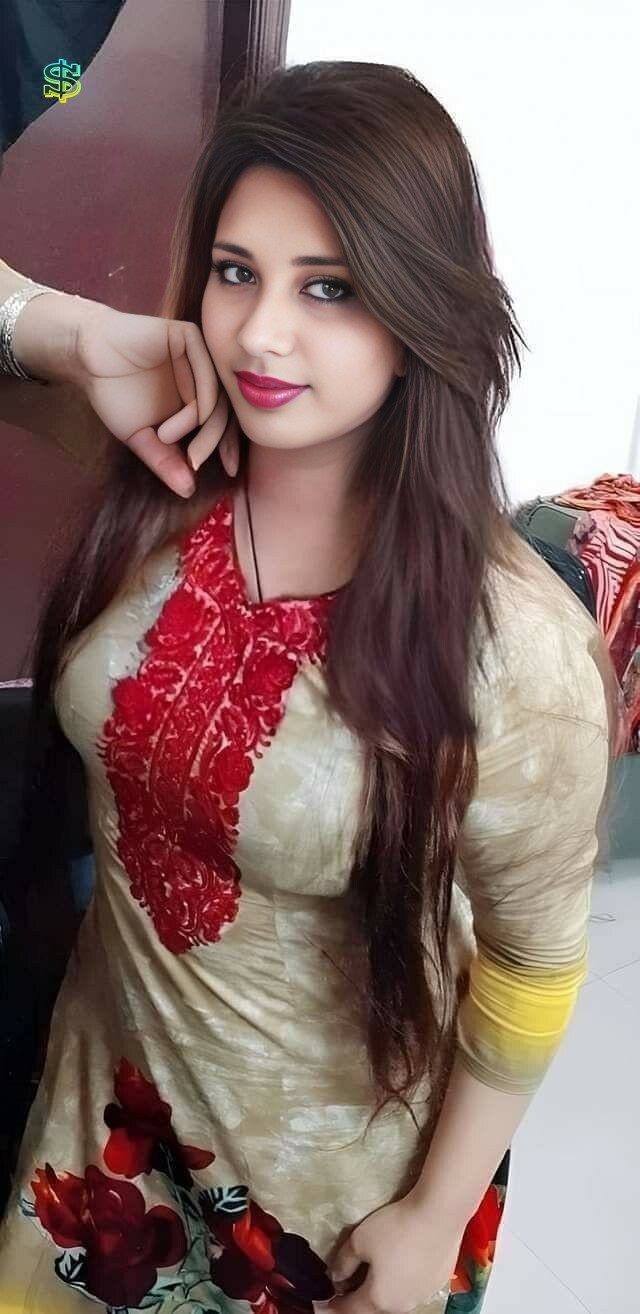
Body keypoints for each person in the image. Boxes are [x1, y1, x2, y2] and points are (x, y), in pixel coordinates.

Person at [0, 61, 616, 1314]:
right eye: (236, 273)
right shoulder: (165, 456)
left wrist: (430, 1221)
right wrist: (79, 336)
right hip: (102, 1126)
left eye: (328, 288)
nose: (260, 335)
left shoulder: (510, 651)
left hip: (321, 1201)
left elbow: (533, 960)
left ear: (420, 307)